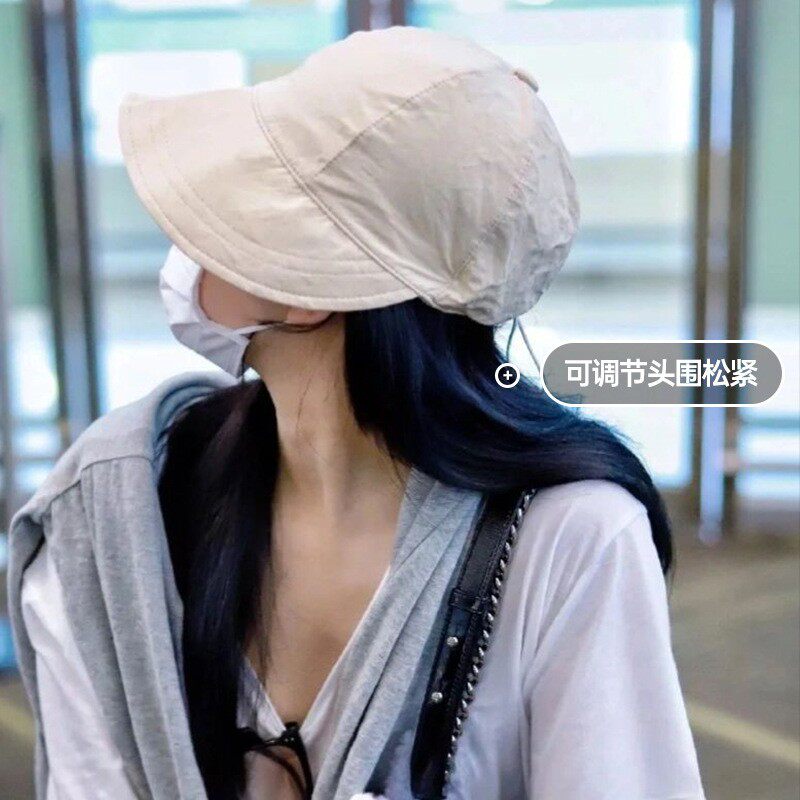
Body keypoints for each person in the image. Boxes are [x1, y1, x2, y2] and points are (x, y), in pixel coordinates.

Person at [7, 24, 706, 800]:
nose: (184, 242)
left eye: (229, 208)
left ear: (306, 290)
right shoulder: (113, 517)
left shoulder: (572, 538)